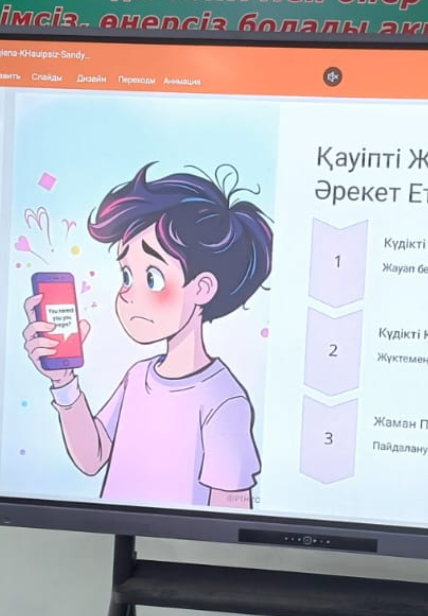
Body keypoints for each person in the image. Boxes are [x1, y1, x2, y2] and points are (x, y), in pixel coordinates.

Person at [22, 163, 271, 508]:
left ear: (202, 288)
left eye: (152, 278)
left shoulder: (224, 400)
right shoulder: (138, 377)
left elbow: (230, 513)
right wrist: (63, 382)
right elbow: (92, 457)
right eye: (127, 275)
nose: (129, 294)